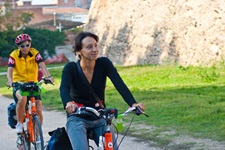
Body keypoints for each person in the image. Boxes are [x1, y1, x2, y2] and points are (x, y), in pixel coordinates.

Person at [59, 31, 145, 150]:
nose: (94, 49)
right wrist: (68, 102)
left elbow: (119, 83)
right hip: (77, 117)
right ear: (79, 51)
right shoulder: (70, 68)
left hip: (99, 116)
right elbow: (64, 88)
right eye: (89, 47)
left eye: (96, 45)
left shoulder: (104, 64)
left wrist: (133, 103)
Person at [6, 33, 54, 135]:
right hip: (19, 84)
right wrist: (10, 80)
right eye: (22, 46)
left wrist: (48, 76)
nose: (25, 48)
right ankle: (19, 123)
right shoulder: (14, 55)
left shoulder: (35, 53)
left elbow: (42, 65)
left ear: (30, 44)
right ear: (18, 47)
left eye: (27, 45)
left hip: (33, 83)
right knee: (22, 98)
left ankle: (38, 132)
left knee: (39, 108)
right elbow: (9, 70)